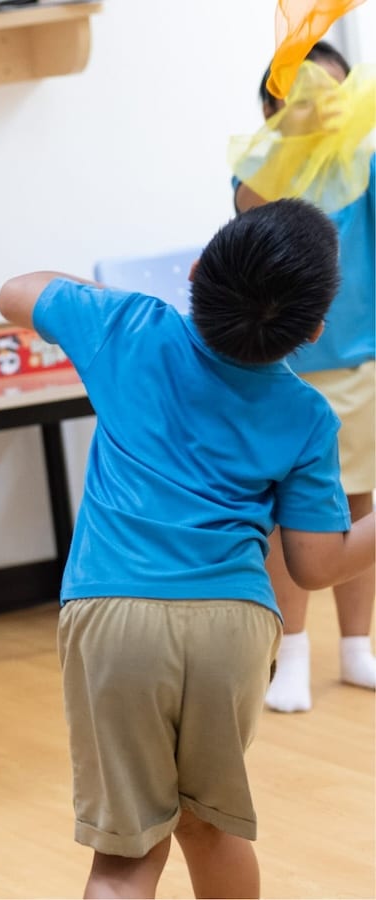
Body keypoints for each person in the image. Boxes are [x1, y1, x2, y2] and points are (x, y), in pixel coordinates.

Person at [0, 198, 375, 899]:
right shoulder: (305, 415)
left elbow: (16, 291)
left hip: (113, 614)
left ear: (197, 271)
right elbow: (316, 565)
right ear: (314, 330)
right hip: (233, 625)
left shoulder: (128, 326)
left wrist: (105, 304)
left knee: (126, 855)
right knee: (213, 826)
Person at [235, 40, 376, 712]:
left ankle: (356, 647)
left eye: (334, 93)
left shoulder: (365, 167)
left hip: (359, 363)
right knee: (285, 513)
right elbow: (248, 211)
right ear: (274, 107)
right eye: (307, 94)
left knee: (358, 504)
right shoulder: (260, 170)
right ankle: (290, 650)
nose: (324, 106)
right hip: (281, 369)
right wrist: (290, 143)